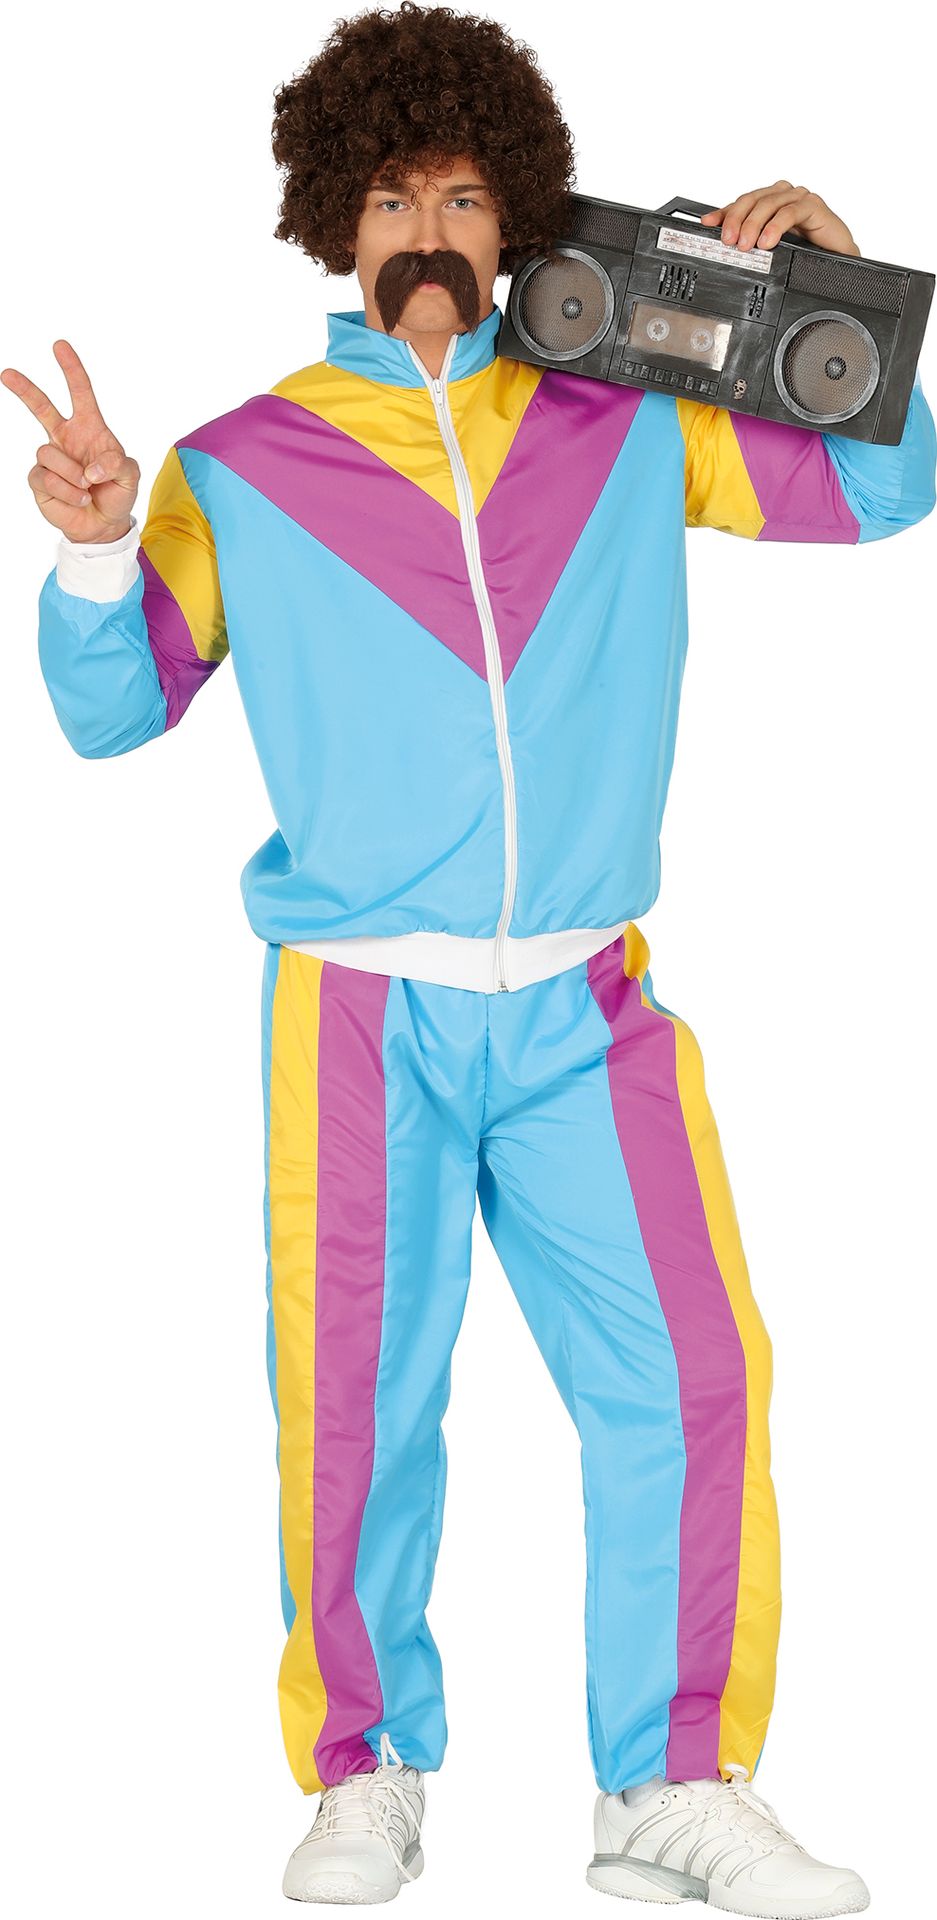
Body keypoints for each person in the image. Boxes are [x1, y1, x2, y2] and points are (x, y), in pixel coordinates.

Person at [4, 3, 935, 1912]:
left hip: (591, 1005)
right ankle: (366, 1772)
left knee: (691, 1378)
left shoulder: (628, 418)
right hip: (359, 1015)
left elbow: (881, 490)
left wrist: (832, 298)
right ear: (332, 228)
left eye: (457, 198)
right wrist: (97, 548)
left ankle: (668, 1784)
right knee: (355, 1405)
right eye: (387, 201)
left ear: (513, 219)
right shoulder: (242, 465)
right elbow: (112, 713)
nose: (424, 233)